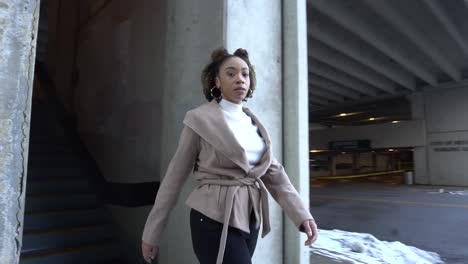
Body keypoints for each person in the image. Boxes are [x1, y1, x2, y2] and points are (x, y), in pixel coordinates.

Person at [141, 48, 318, 264]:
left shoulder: (254, 124)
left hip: (250, 218)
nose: (240, 79)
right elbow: (174, 178)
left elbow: (276, 175)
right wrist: (152, 232)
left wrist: (302, 215)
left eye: (245, 74)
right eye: (231, 73)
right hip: (212, 217)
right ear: (217, 81)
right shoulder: (199, 119)